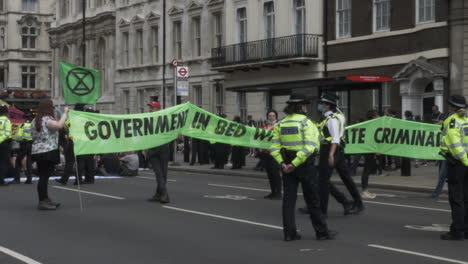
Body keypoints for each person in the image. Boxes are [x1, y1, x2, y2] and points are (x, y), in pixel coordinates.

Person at [271, 94, 336, 241]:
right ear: (301, 107)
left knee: (288, 200)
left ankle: (289, 234)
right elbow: (310, 147)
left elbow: (273, 148)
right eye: (305, 105)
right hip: (304, 166)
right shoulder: (307, 123)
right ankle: (322, 232)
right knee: (313, 200)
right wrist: (295, 164)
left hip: (286, 166)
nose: (306, 108)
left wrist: (283, 163)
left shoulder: (280, 124)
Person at [317, 93, 363, 216]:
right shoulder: (338, 114)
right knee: (345, 178)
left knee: (323, 181)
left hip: (330, 149)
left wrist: (331, 155)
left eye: (322, 103)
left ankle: (323, 210)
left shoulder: (331, 119)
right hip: (338, 150)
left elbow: (335, 138)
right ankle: (356, 203)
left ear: (327, 105)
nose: (320, 105)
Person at [439, 95, 468, 240]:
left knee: (456, 198)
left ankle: (457, 231)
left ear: (452, 106)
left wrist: (464, 160)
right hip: (466, 163)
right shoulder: (466, 120)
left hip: (458, 164)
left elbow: (455, 145)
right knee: (466, 197)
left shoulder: (451, 121)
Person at [31, 100, 68, 210]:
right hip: (48, 151)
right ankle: (42, 201)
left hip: (37, 150)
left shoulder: (34, 120)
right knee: (44, 177)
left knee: (44, 176)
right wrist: (65, 113)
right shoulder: (47, 120)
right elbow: (59, 125)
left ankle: (45, 198)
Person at [146, 101, 170, 204]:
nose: (150, 110)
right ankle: (165, 194)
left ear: (158, 109)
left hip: (163, 148)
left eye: (152, 108)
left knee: (163, 173)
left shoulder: (164, 120)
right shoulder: (146, 120)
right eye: (150, 107)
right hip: (152, 149)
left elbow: (171, 131)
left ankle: (158, 194)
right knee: (159, 173)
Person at [261, 110, 282, 200]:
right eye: (270, 116)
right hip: (265, 153)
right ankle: (273, 192)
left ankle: (278, 193)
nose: (271, 117)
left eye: (273, 116)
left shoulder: (279, 126)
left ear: (276, 117)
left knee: (275, 173)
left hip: (275, 153)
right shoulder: (264, 126)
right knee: (270, 173)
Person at [361, 110, 379, 199]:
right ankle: (364, 191)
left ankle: (365, 190)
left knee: (367, 170)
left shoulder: (370, 124)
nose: (378, 117)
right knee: (366, 170)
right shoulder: (371, 125)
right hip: (369, 150)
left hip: (369, 150)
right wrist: (375, 149)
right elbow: (371, 139)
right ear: (373, 116)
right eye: (377, 115)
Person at [12, 114, 33, 184]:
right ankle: (29, 179)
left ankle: (17, 179)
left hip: (24, 145)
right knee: (29, 162)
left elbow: (19, 136)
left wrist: (15, 139)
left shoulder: (23, 125)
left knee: (18, 161)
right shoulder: (33, 125)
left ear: (24, 118)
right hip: (31, 145)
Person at [0, 104, 12, 186]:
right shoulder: (7, 121)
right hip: (4, 144)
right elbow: (7, 134)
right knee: (3, 162)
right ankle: (1, 181)